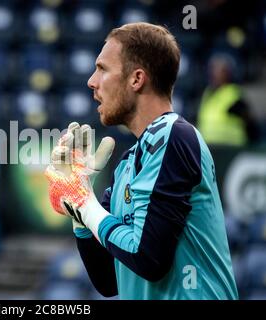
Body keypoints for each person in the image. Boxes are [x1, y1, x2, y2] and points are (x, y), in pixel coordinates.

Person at [45, 22, 238, 300]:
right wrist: (78, 216)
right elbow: (108, 280)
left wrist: (84, 203)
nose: (91, 81)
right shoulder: (128, 163)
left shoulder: (173, 135)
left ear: (136, 79)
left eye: (102, 69)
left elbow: (148, 258)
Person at [197, 53, 260, 146]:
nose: (214, 74)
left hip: (231, 149)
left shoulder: (234, 94)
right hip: (209, 148)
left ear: (227, 73)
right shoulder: (207, 92)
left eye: (219, 70)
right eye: (213, 69)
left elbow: (249, 122)